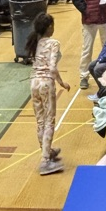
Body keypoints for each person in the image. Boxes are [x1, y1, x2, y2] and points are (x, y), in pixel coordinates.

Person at [25, 13, 70, 176]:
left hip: (34, 83)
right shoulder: (53, 43)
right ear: (49, 27)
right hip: (46, 83)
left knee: (40, 121)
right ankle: (45, 161)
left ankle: (48, 150)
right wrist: (62, 82)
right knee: (49, 122)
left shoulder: (35, 43)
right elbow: (52, 67)